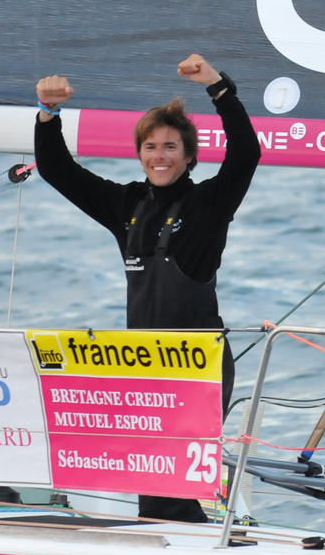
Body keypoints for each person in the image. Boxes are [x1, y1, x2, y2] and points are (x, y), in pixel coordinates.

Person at [33, 54, 261, 522]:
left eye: (171, 147)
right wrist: (48, 114)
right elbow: (57, 170)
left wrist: (218, 87)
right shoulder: (126, 205)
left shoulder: (208, 204)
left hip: (199, 363)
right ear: (139, 154)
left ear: (189, 156)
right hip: (146, 364)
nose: (160, 155)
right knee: (153, 488)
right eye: (151, 146)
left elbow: (246, 154)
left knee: (169, 488)